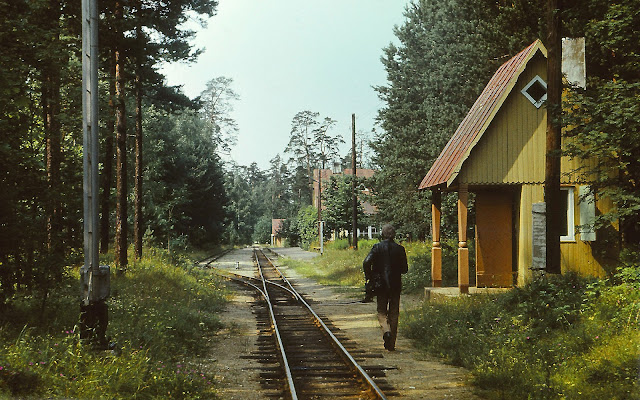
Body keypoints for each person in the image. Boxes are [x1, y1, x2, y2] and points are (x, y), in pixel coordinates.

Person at [362, 224, 408, 351]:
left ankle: (386, 330)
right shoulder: (400, 249)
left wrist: (370, 276)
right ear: (394, 235)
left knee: (381, 311)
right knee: (394, 313)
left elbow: (366, 262)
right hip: (395, 285)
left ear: (382, 234)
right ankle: (391, 344)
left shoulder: (377, 247)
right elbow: (405, 269)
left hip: (380, 285)